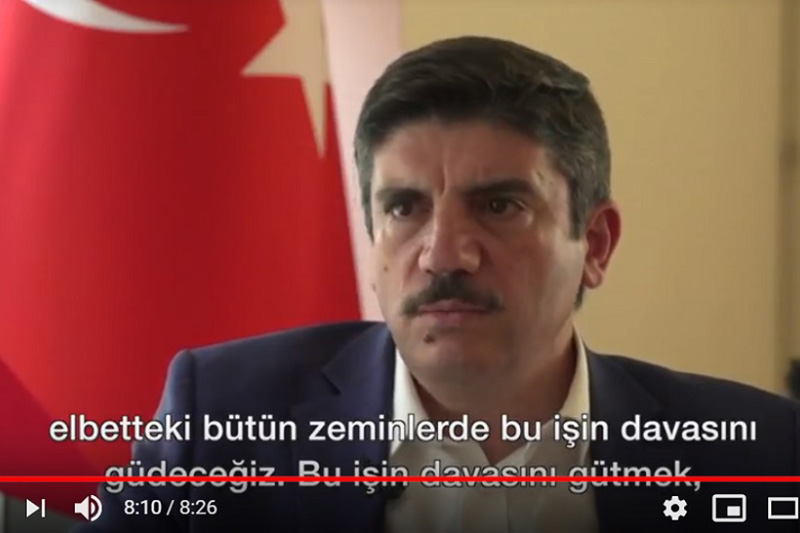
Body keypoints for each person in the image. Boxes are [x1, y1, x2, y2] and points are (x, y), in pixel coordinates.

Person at [75, 36, 800, 533]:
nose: (444, 254)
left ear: (596, 244)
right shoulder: (225, 419)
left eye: (500, 206)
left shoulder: (756, 456)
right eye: (404, 208)